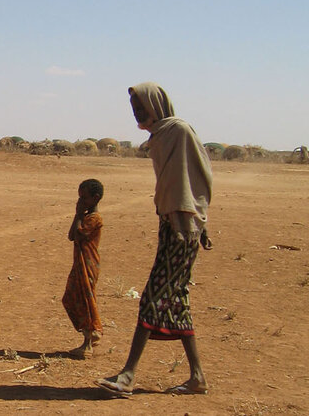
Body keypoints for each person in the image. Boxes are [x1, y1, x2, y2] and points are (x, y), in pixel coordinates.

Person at [95, 82, 213, 396]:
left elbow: (199, 176)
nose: (137, 113)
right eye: (134, 109)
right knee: (177, 300)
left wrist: (195, 220)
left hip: (181, 228)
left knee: (152, 297)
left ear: (157, 105)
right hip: (173, 224)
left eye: (141, 107)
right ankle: (198, 377)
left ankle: (128, 375)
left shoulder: (180, 132)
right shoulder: (160, 136)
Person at [62, 178, 104, 358]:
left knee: (86, 300)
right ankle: (91, 333)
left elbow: (79, 234)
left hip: (88, 264)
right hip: (79, 263)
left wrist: (79, 214)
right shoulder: (85, 217)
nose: (80, 202)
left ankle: (89, 341)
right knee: (71, 297)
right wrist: (78, 214)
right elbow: (71, 235)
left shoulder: (94, 218)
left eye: (84, 199)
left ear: (95, 198)